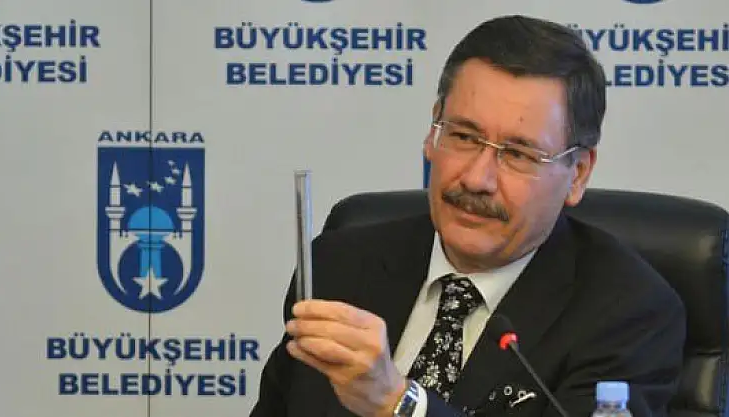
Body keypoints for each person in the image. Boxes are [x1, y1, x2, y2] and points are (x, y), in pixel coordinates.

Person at [249, 14, 686, 417]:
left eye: (518, 154)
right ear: (432, 132)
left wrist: (399, 403)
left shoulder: (626, 312)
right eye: (463, 136)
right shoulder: (338, 267)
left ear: (578, 173)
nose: (477, 179)